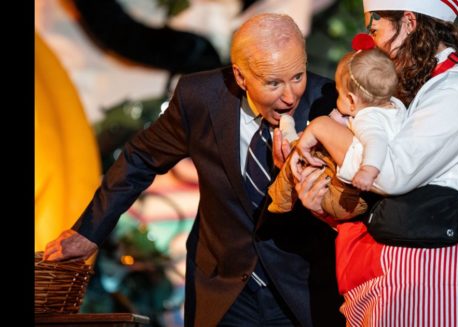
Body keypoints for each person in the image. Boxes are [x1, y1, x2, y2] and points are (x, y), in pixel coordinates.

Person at [43, 13, 345, 327]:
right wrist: (88, 231)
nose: (290, 95)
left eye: (298, 76)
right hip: (225, 288)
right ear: (242, 77)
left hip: (301, 289)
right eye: (273, 83)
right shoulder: (200, 98)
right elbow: (140, 158)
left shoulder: (327, 105)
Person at [291, 0, 458, 326]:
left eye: (375, 30)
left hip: (433, 273)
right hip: (393, 273)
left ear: (408, 23)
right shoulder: (418, 85)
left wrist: (322, 129)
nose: (371, 44)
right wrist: (324, 205)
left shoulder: (457, 91)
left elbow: (390, 174)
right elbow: (382, 197)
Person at [268, 46, 405, 220]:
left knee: (299, 158)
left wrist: (368, 170)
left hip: (344, 196)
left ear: (351, 100)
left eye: (339, 94)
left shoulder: (368, 120)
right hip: (355, 200)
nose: (336, 98)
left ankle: (280, 200)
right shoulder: (395, 106)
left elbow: (376, 141)